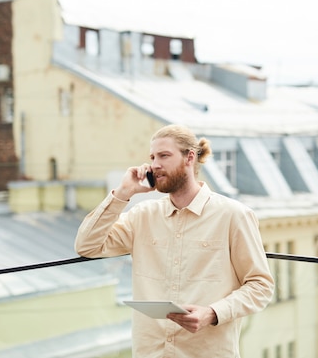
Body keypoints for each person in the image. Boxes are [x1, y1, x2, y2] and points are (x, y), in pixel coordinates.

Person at [74, 124, 274, 357]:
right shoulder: (142, 216)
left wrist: (212, 312)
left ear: (189, 157)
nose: (154, 164)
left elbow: (261, 286)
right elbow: (87, 245)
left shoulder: (234, 215)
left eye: (164, 156)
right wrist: (123, 192)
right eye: (152, 157)